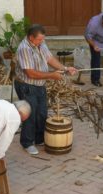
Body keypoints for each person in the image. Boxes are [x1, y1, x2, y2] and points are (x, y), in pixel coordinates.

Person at [14, 24, 76, 155]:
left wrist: (65, 68)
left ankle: (39, 139)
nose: (42, 42)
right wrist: (52, 75)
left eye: (43, 39)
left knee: (41, 113)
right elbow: (30, 73)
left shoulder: (40, 43)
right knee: (29, 114)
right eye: (39, 39)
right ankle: (27, 143)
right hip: (26, 85)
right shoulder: (24, 48)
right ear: (31, 37)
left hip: (39, 84)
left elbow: (50, 58)